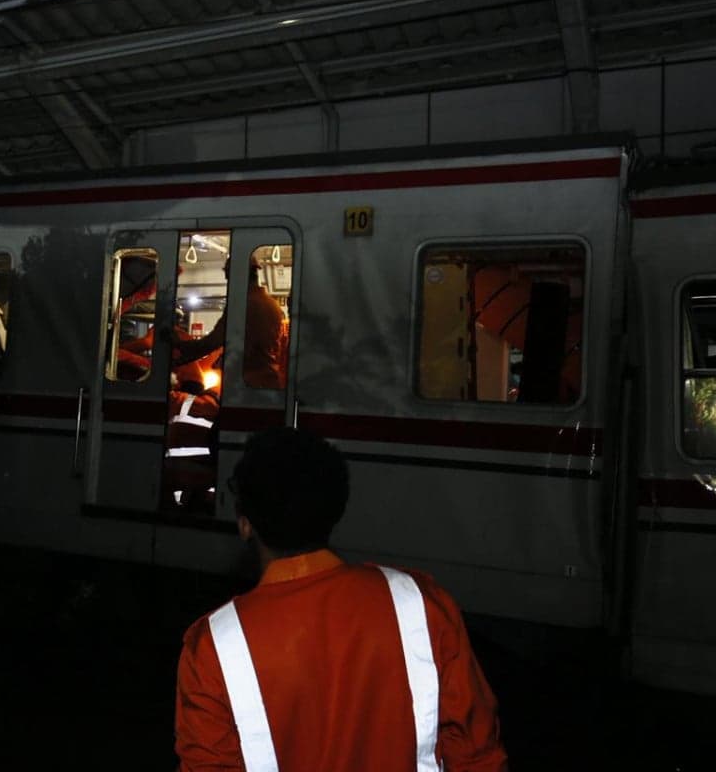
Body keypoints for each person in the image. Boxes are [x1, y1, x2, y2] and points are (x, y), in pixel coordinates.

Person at [174, 427, 509, 771]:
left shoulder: (212, 647)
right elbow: (477, 753)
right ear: (336, 511)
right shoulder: (423, 605)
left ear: (245, 525)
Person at [172, 256, 287, 389]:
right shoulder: (272, 304)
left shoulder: (242, 303)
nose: (227, 280)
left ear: (239, 274)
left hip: (247, 383)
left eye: (228, 275)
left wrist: (179, 346)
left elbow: (213, 342)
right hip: (268, 380)